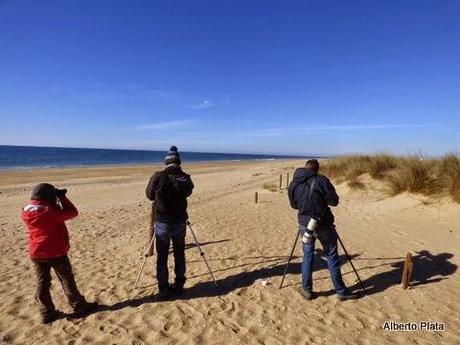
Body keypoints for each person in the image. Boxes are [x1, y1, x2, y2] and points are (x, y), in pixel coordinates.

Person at [21, 183, 99, 324]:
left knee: (42, 283)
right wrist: (62, 197)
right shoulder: (49, 212)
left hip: (36, 252)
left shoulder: (26, 211)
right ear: (48, 196)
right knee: (66, 279)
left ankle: (46, 312)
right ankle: (79, 305)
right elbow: (72, 212)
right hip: (55, 251)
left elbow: (41, 210)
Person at [288, 159, 357, 301]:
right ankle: (341, 291)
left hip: (304, 223)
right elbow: (334, 201)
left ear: (305, 168)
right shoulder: (321, 180)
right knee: (331, 256)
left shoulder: (294, 183)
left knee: (307, 255)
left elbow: (294, 205)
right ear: (317, 169)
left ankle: (307, 290)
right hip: (323, 223)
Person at [146, 146, 194, 299]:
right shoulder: (185, 177)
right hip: (179, 221)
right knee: (179, 253)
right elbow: (188, 192)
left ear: (166, 162)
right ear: (178, 162)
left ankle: (164, 288)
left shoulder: (158, 176)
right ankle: (179, 284)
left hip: (163, 222)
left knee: (162, 256)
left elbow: (149, 195)